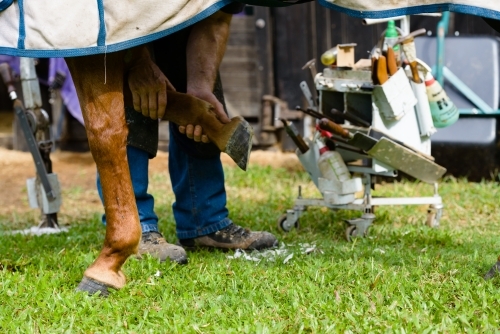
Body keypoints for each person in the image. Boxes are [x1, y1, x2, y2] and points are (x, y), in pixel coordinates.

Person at [97, 4, 278, 264]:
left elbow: (215, 19)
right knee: (128, 103)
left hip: (175, 15)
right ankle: (135, 228)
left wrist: (200, 88)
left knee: (204, 97)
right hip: (118, 18)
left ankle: (205, 220)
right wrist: (137, 63)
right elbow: (112, 11)